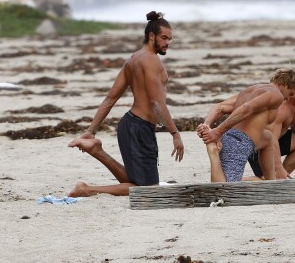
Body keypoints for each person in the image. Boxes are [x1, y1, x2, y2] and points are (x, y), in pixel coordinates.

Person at [67, 11, 184, 197]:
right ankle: (86, 189)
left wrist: (91, 130)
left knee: (137, 182)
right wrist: (175, 133)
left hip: (130, 125)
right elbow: (156, 102)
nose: (167, 43)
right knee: (147, 190)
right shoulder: (151, 60)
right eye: (164, 38)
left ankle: (97, 151)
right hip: (139, 128)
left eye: (170, 39)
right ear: (151, 36)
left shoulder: (133, 59)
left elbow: (110, 98)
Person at [197, 68, 295, 182]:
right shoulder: (276, 95)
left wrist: (207, 124)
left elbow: (219, 108)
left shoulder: (252, 90)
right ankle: (213, 151)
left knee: (267, 137)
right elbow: (246, 108)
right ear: (286, 85)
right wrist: (217, 132)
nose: (288, 98)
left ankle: (271, 183)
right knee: (224, 190)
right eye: (291, 93)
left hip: (237, 138)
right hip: (239, 142)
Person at [247, 96, 295, 180]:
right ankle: (228, 182)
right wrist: (279, 167)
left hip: (276, 142)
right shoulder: (282, 109)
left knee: (276, 180)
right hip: (259, 147)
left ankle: (281, 177)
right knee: (267, 181)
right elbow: (272, 139)